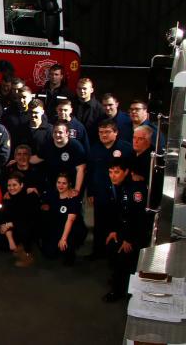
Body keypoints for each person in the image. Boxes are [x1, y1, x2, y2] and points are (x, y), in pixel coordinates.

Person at [103, 160, 151, 302]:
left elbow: (138, 217)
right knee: (112, 250)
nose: (113, 176)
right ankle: (118, 281)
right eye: (111, 172)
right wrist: (114, 231)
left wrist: (128, 239)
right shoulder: (120, 187)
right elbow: (120, 213)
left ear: (126, 172)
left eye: (117, 172)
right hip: (124, 230)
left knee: (123, 259)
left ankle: (119, 291)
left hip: (136, 235)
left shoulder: (135, 190)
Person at [86, 120, 133, 260]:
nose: (104, 135)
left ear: (116, 132)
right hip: (100, 192)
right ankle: (97, 251)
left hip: (119, 193)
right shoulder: (95, 149)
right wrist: (91, 192)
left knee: (117, 221)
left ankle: (115, 252)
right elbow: (90, 172)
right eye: (101, 132)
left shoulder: (126, 148)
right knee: (99, 223)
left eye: (107, 132)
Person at [39, 173, 86, 265]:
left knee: (67, 250)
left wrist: (63, 239)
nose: (60, 185)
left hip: (72, 228)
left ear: (69, 184)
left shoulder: (73, 198)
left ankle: (70, 250)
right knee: (49, 254)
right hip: (58, 227)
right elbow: (42, 203)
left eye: (64, 183)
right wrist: (44, 206)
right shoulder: (52, 194)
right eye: (58, 182)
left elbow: (70, 220)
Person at [34, 122, 87, 196]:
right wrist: (19, 160)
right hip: (53, 185)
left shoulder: (75, 146)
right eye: (55, 132)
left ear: (67, 133)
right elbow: (38, 158)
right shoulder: (48, 145)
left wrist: (76, 190)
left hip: (70, 185)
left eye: (60, 132)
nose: (57, 135)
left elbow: (81, 169)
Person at [0, 172, 40, 267]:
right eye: (9, 185)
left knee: (24, 229)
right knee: (3, 242)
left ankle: (27, 253)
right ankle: (17, 246)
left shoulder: (31, 196)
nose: (11, 188)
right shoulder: (7, 198)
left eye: (14, 185)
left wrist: (9, 225)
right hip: (15, 226)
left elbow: (29, 219)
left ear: (21, 185)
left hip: (30, 226)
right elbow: (4, 219)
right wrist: (10, 241)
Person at [73, 78, 107, 145]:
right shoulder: (71, 106)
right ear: (76, 90)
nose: (82, 91)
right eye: (79, 88)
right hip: (73, 145)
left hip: (92, 145)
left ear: (91, 90)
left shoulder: (99, 109)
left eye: (84, 88)